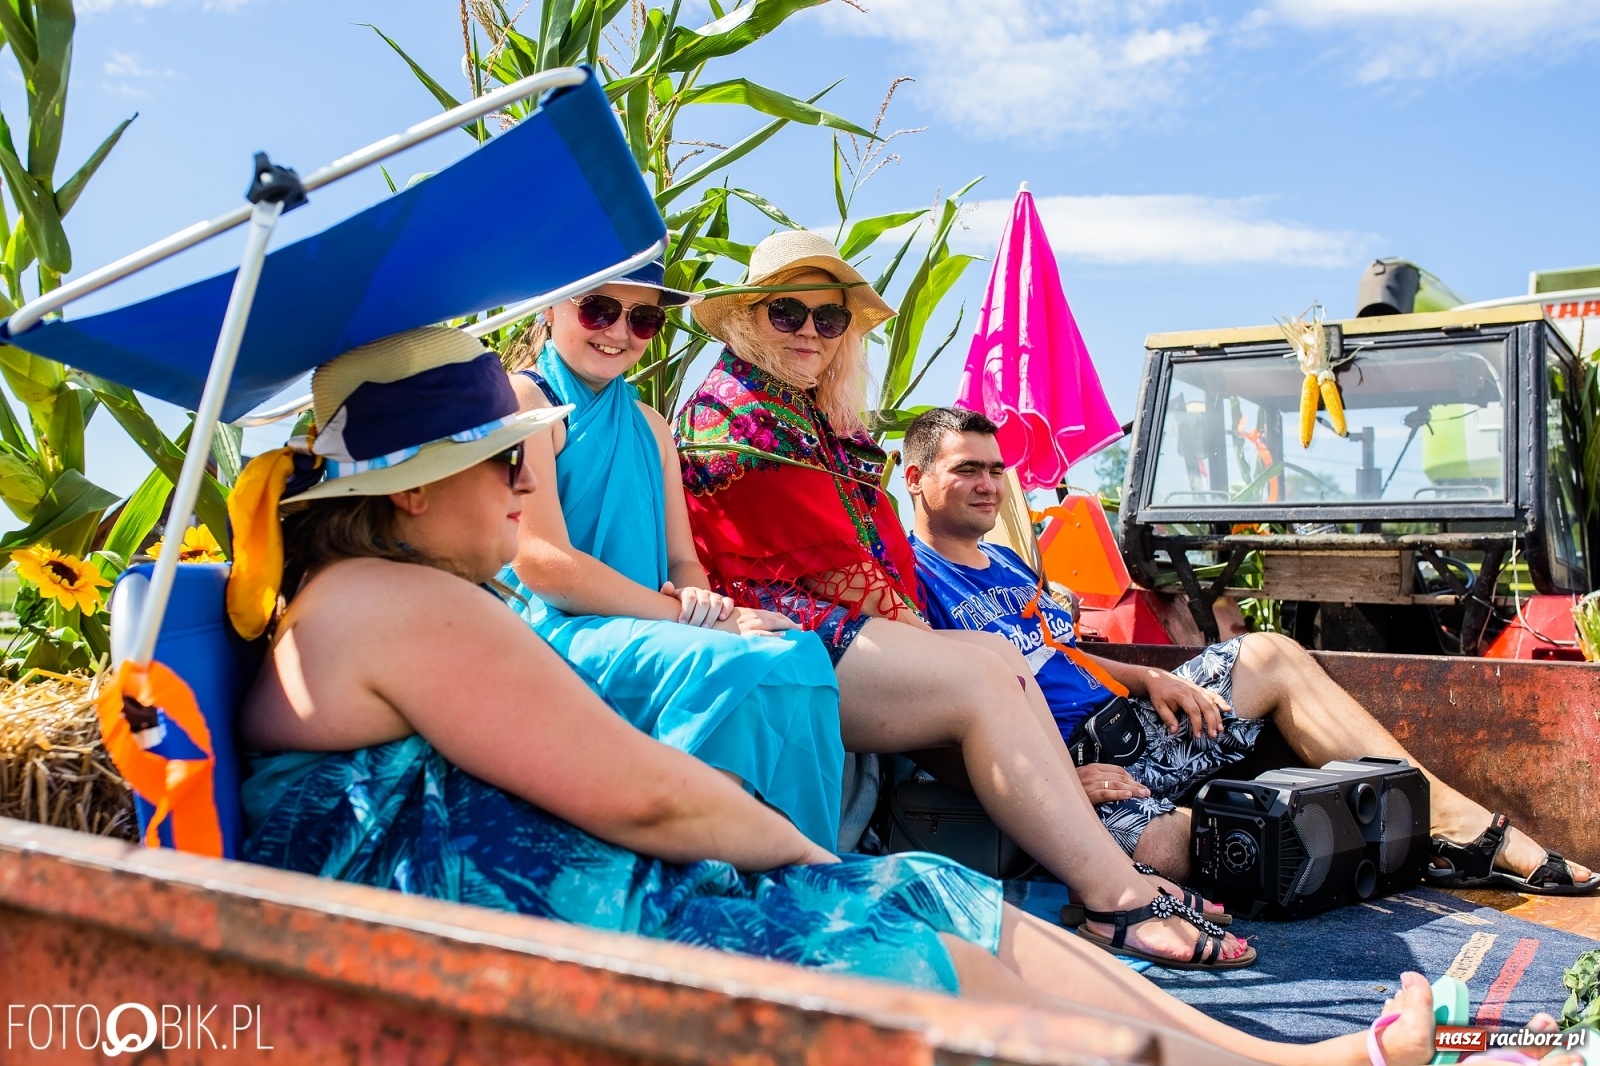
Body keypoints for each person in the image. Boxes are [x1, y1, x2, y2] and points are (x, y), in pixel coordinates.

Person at [229, 326, 1482, 1066]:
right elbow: (653, 803)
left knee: (930, 892)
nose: (523, 476)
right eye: (501, 458)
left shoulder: (370, 600)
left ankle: (1273, 1064)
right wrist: (790, 853)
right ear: (405, 491)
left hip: (502, 912)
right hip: (502, 939)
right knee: (882, 918)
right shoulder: (406, 605)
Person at [675, 232, 1253, 970]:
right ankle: (1117, 901)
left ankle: (1111, 876)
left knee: (991, 652)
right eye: (788, 314)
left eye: (829, 320)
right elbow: (832, 566)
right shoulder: (736, 410)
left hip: (829, 621)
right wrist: (925, 636)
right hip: (776, 626)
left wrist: (933, 638)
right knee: (979, 667)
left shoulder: (804, 412)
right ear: (749, 318)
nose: (811, 333)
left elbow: (859, 562)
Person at [902, 405, 1599, 896]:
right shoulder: (904, 578)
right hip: (1065, 769)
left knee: (1267, 652)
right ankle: (1341, 846)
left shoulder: (1007, 564)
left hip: (1136, 729)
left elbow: (1059, 652)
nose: (990, 484)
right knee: (1194, 851)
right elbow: (932, 722)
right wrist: (1052, 783)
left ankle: (1455, 822)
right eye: (968, 469)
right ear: (915, 479)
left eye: (995, 469)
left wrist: (1147, 676)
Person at [495, 259, 844, 851]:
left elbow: (681, 560)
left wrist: (700, 600)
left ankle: (793, 861)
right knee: (728, 665)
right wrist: (686, 618)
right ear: (551, 308)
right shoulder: (527, 399)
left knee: (799, 656)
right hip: (552, 629)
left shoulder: (652, 426)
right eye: (599, 310)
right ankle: (700, 853)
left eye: (643, 319)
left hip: (642, 620)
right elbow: (542, 562)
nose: (618, 332)